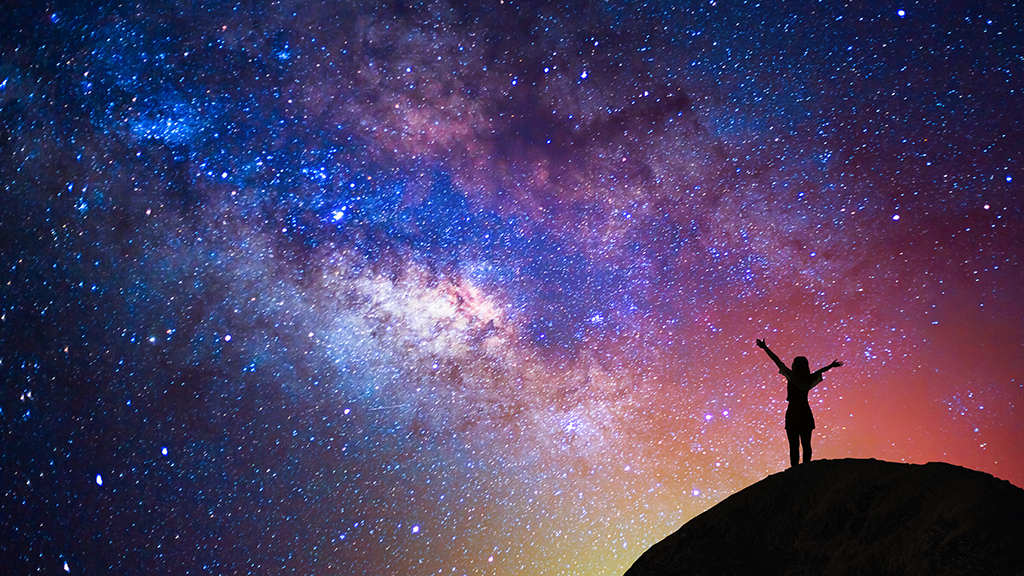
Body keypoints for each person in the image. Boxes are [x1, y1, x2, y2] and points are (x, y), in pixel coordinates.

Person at [756, 339, 843, 467]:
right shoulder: (808, 379)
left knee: (794, 446)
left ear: (795, 366)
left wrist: (765, 348)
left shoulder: (792, 376)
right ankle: (806, 468)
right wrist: (831, 366)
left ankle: (794, 470)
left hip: (793, 412)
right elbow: (820, 371)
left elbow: (777, 361)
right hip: (805, 412)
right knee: (806, 444)